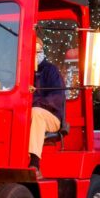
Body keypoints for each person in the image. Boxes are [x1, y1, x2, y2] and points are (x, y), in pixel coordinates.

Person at [29, 37, 64, 174]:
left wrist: (34, 100)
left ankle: (34, 162)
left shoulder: (51, 71)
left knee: (36, 113)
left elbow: (56, 98)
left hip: (52, 116)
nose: (35, 54)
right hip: (26, 113)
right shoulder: (22, 72)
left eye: (37, 51)